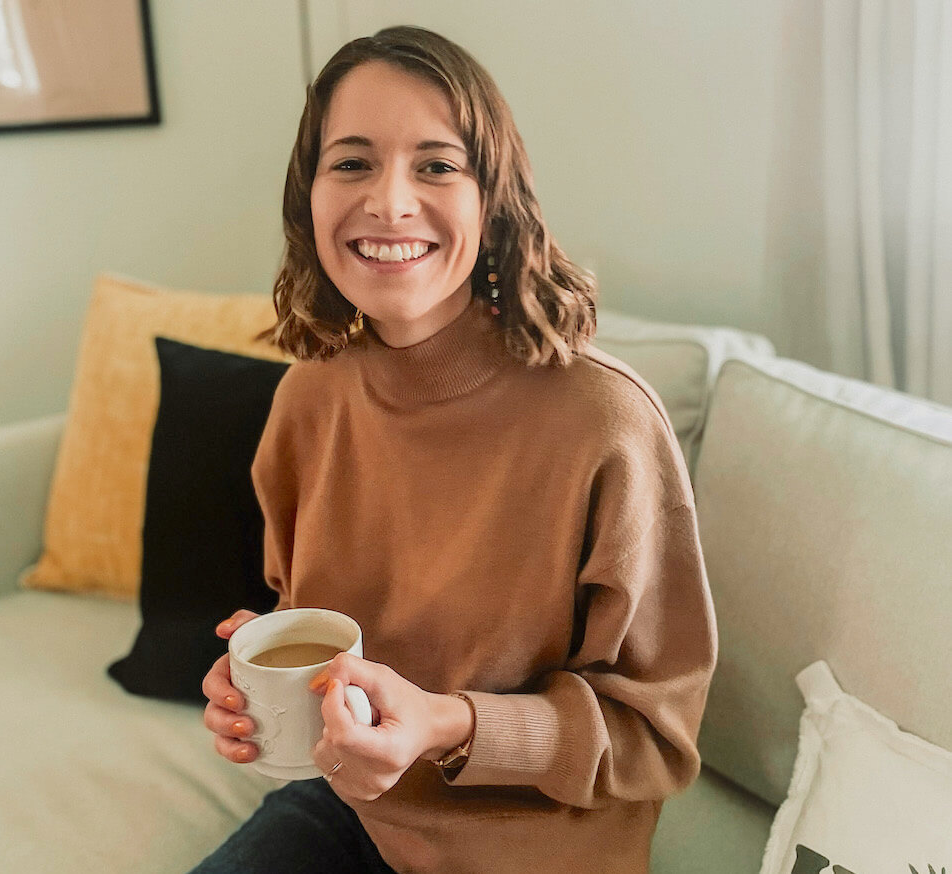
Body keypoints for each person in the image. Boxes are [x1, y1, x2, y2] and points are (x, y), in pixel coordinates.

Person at [191, 24, 717, 874]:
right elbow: (322, 628)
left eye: (436, 165)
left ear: (494, 198)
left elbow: (657, 737)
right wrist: (257, 681)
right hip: (350, 815)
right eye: (352, 162)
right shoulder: (307, 401)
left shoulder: (605, 422)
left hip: (535, 850)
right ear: (309, 195)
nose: (390, 202)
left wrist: (450, 725)